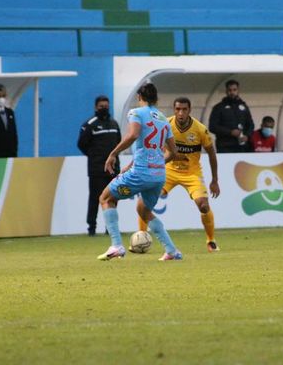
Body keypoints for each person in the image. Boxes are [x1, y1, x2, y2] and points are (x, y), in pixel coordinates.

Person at [98, 83, 182, 261]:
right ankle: (172, 251)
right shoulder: (163, 119)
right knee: (143, 209)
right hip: (158, 175)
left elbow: (133, 135)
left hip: (140, 174)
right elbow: (174, 152)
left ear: (139, 97)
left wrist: (113, 153)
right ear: (156, 99)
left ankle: (116, 245)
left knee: (106, 198)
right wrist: (157, 163)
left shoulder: (136, 113)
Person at [137, 97, 221, 252]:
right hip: (168, 171)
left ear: (189, 110)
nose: (180, 113)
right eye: (178, 109)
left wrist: (214, 180)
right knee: (145, 202)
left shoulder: (200, 129)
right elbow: (151, 144)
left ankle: (211, 240)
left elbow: (212, 153)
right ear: (174, 110)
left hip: (192, 173)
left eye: (184, 109)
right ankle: (141, 236)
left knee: (203, 206)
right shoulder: (165, 124)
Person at [77, 95, 121, 236]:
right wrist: (94, 156)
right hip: (97, 169)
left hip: (113, 169)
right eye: (102, 107)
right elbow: (81, 144)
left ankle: (111, 228)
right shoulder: (90, 124)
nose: (104, 109)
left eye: (106, 107)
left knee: (113, 198)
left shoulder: (114, 124)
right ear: (96, 107)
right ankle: (92, 228)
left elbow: (119, 142)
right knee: (95, 199)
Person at [208, 79, 254, 153]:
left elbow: (251, 124)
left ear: (238, 90)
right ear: (226, 91)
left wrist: (247, 136)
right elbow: (212, 126)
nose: (232, 92)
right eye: (230, 90)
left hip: (242, 146)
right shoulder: (219, 107)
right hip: (225, 147)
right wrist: (230, 132)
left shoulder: (244, 106)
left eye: (234, 90)